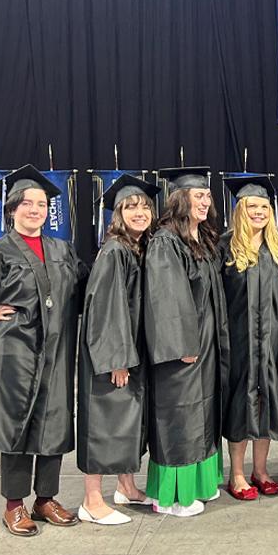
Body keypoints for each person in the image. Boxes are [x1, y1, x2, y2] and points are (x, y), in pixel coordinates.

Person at [0, 165, 88, 536]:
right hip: (15, 354)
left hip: (57, 352)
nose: (35, 209)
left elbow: (84, 287)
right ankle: (14, 505)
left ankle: (45, 499)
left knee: (53, 422)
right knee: (18, 426)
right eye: (27, 203)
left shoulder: (61, 249)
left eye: (41, 203)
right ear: (12, 210)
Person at [144, 167, 229, 517]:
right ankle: (173, 498)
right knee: (179, 417)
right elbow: (166, 299)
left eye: (208, 196)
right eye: (199, 196)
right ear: (180, 199)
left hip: (205, 344)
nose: (205, 201)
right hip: (182, 350)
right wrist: (181, 346)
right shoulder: (166, 241)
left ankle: (201, 484)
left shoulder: (202, 239)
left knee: (203, 413)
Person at [77, 175, 160, 525]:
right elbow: (105, 308)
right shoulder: (113, 251)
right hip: (111, 354)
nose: (139, 213)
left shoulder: (137, 248)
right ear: (118, 214)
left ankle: (126, 486)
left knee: (126, 423)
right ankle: (91, 500)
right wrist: (117, 359)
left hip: (130, 351)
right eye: (131, 207)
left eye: (144, 207)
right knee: (104, 423)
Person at [219, 175, 278, 501]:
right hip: (237, 344)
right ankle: (236, 473)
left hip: (272, 343)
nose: (259, 212)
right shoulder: (224, 248)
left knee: (265, 405)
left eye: (264, 206)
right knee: (240, 406)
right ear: (240, 209)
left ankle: (260, 470)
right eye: (252, 206)